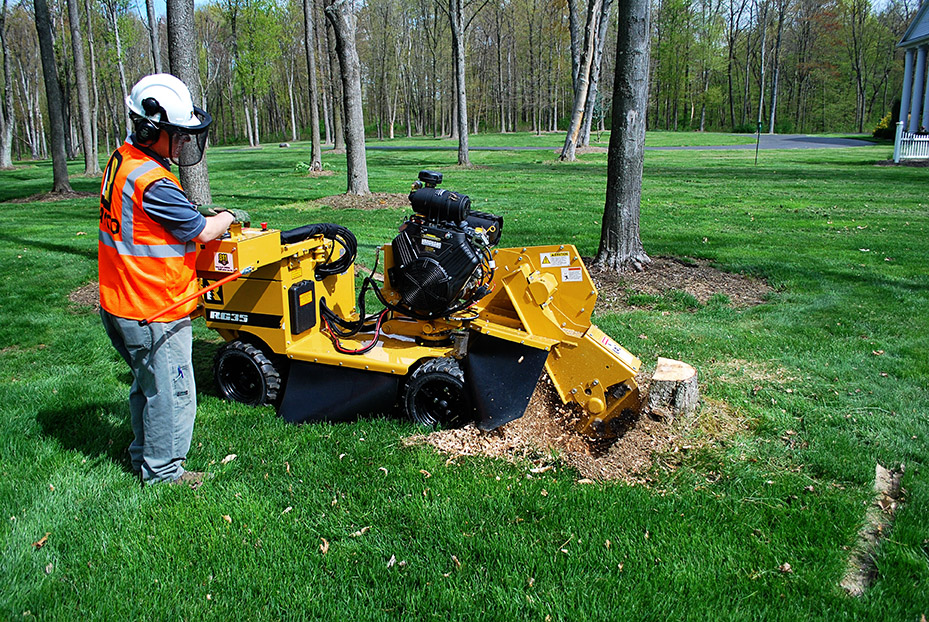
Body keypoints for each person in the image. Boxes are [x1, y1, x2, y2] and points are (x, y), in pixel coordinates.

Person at [98, 73, 248, 487]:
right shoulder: (154, 182)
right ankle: (164, 473)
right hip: (154, 308)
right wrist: (228, 218)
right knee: (174, 395)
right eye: (177, 135)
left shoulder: (123, 160)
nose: (184, 143)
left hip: (119, 301)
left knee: (148, 386)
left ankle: (142, 456)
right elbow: (201, 232)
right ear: (151, 129)